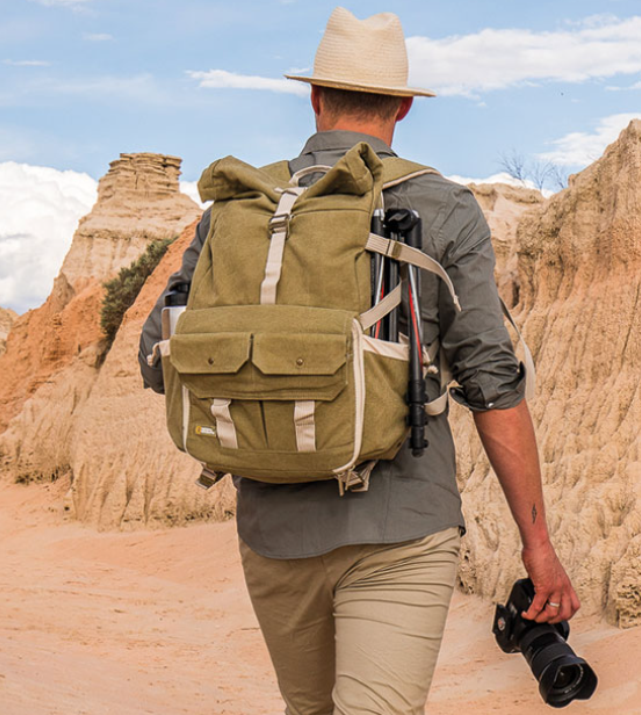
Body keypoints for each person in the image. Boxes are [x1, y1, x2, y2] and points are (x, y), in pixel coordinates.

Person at [139, 7, 580, 715]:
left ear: (314, 97)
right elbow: (491, 383)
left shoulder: (238, 208)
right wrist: (538, 546)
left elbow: (158, 359)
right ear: (404, 106)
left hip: (274, 533)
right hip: (402, 527)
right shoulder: (441, 206)